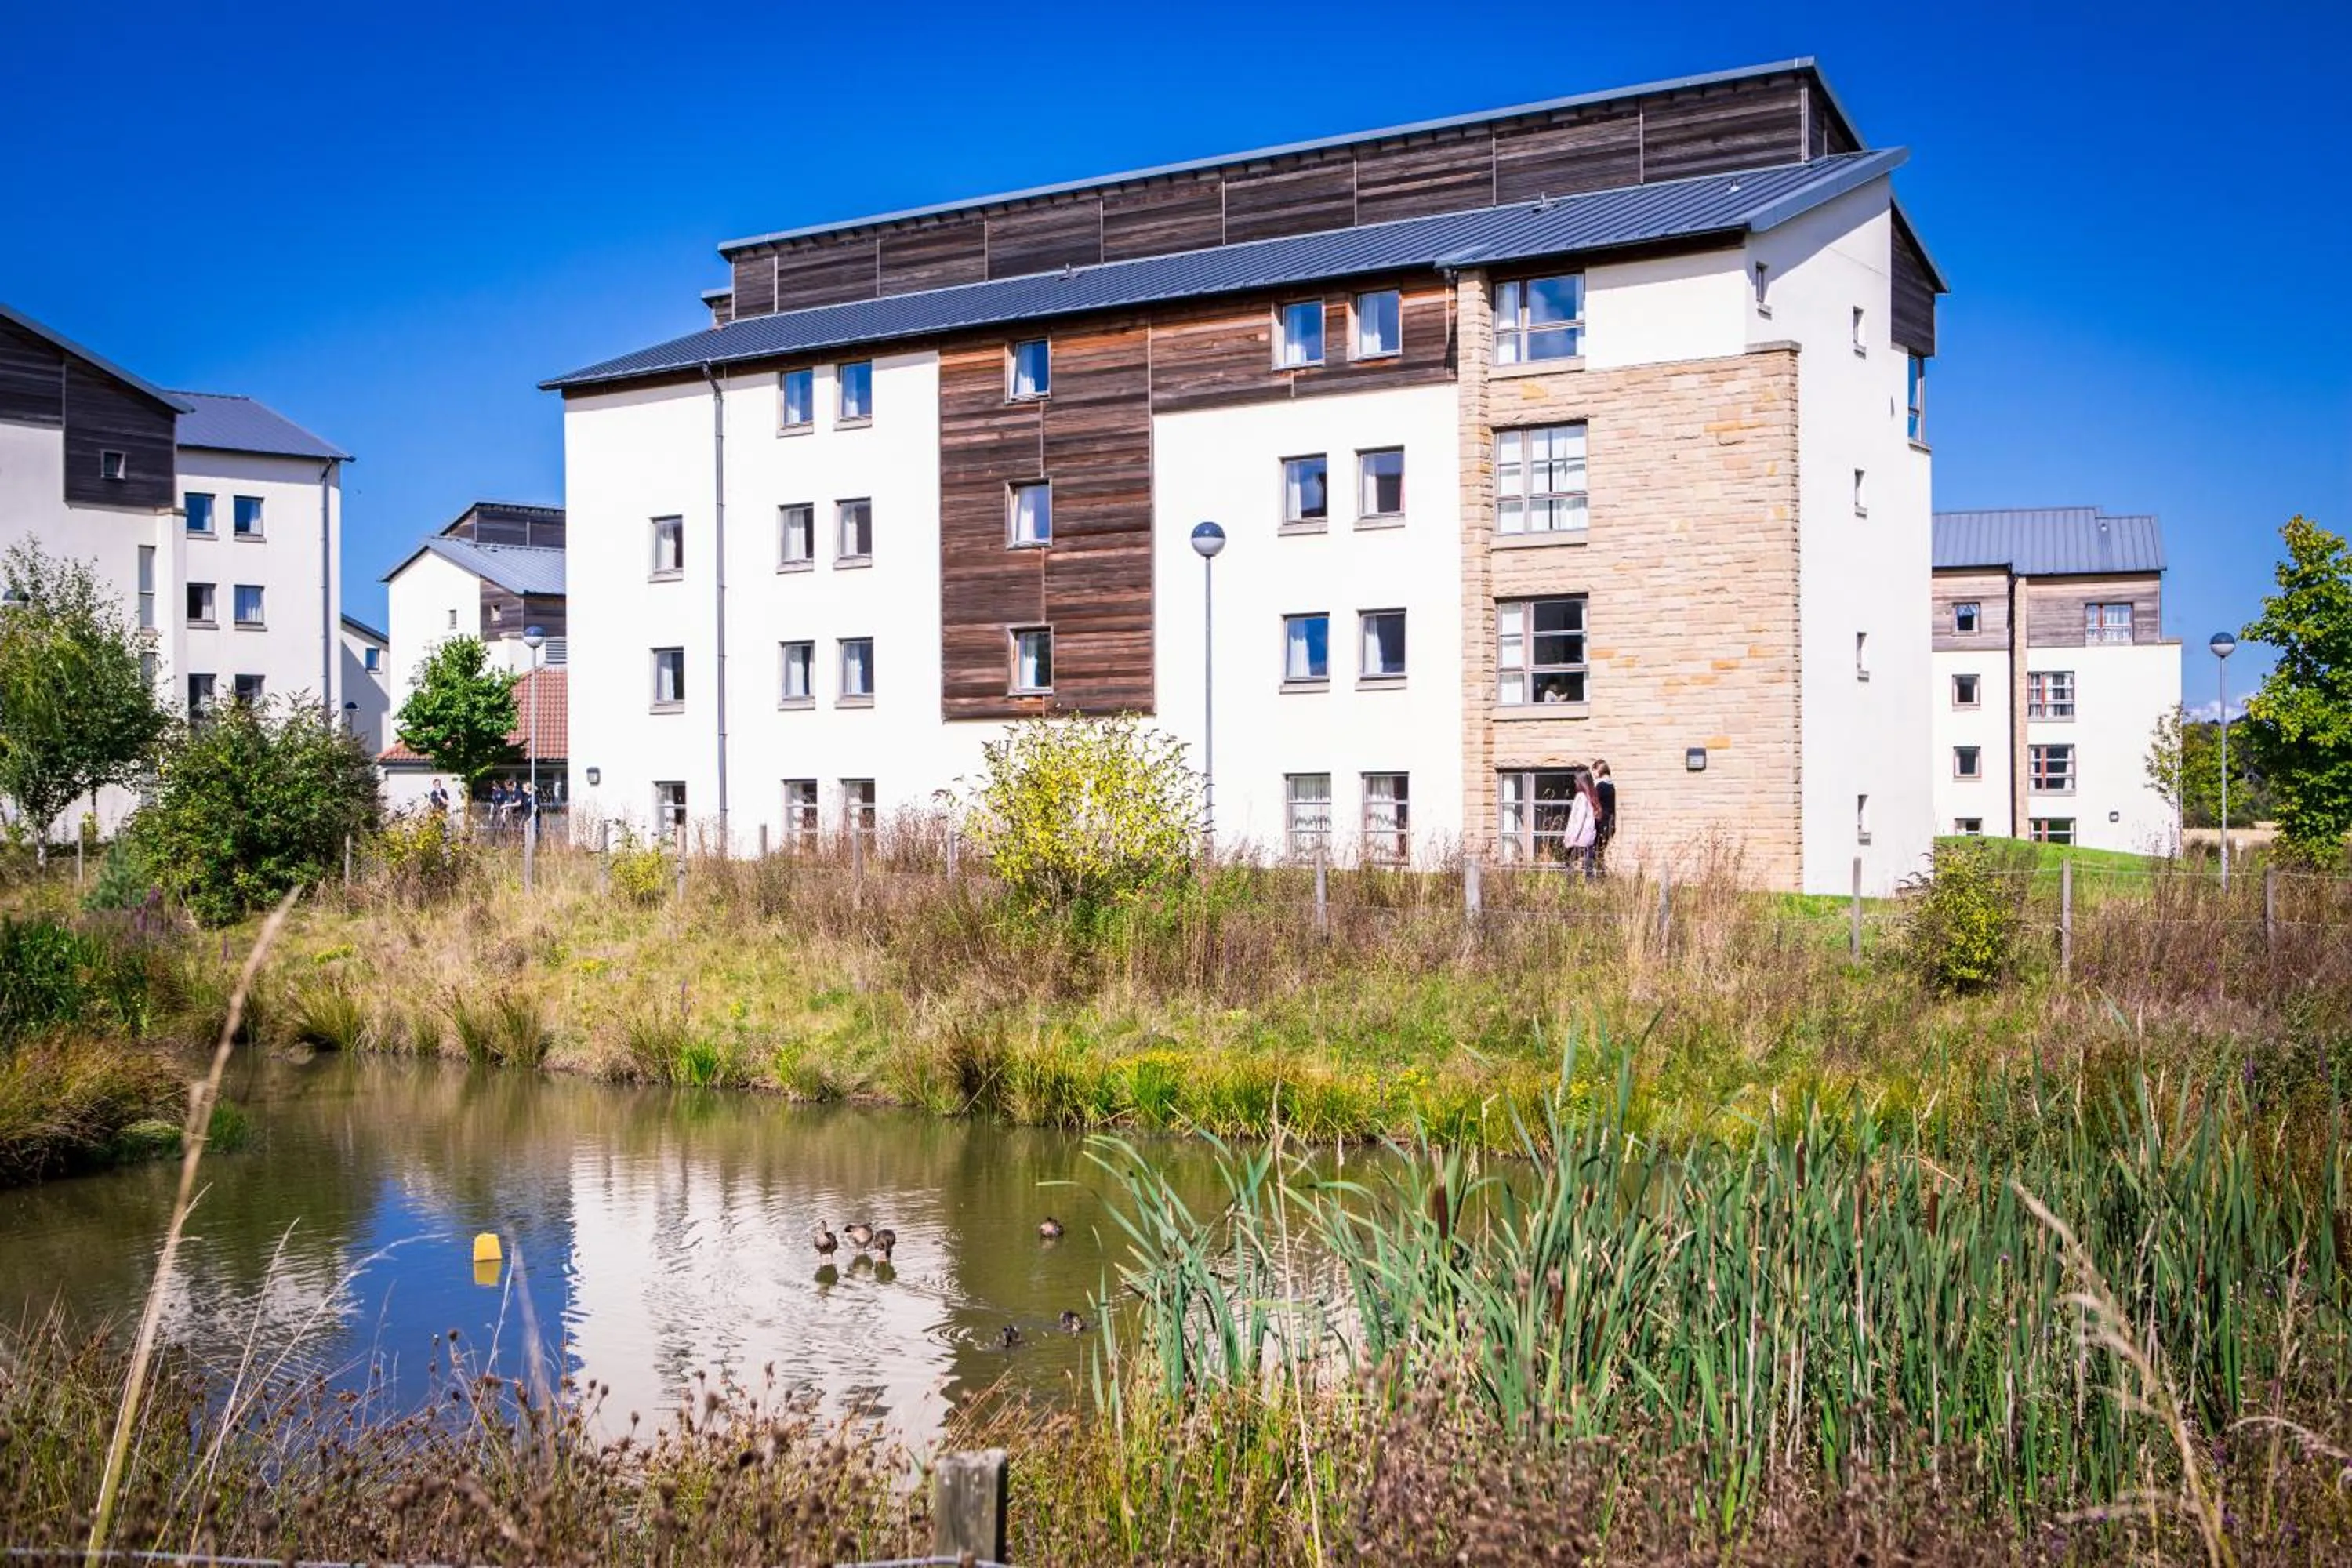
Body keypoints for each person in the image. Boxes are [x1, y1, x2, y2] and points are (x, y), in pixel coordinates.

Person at [1565, 768, 1600, 880]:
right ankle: (1590, 890)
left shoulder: (1581, 796)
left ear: (1580, 782)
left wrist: (1570, 840)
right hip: (1588, 839)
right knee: (1588, 868)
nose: (1574, 782)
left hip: (1578, 840)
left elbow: (1578, 820)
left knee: (1571, 870)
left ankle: (1573, 890)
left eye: (1576, 780)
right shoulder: (1591, 796)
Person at [1590, 760, 1616, 876]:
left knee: (1595, 852)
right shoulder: (1610, 784)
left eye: (1594, 771)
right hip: (1609, 822)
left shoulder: (1601, 785)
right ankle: (1601, 876)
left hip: (1602, 823)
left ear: (1599, 770)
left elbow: (1592, 802)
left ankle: (1599, 877)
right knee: (1600, 852)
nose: (1593, 774)